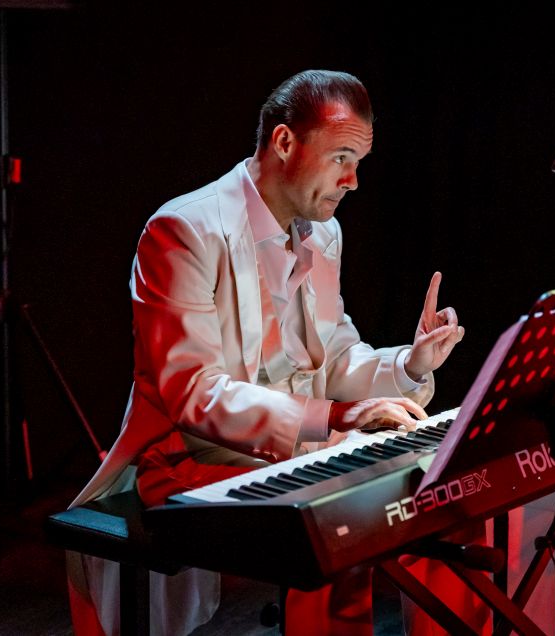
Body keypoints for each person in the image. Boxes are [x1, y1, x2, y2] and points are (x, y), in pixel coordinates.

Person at [65, 69, 473, 635]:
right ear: (284, 142)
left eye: (359, 162)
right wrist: (334, 417)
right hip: (191, 458)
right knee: (341, 513)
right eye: (341, 158)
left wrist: (409, 364)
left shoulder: (323, 232)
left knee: (442, 490)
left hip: (302, 449)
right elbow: (192, 392)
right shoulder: (184, 230)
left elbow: (333, 355)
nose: (353, 181)